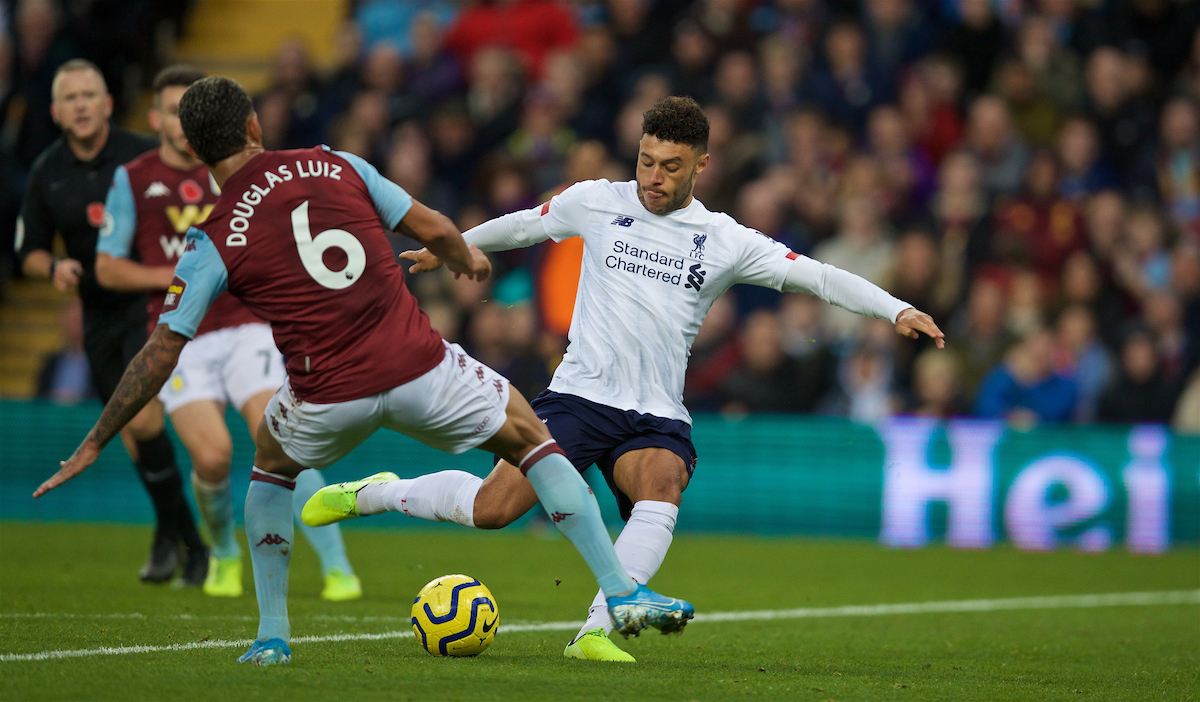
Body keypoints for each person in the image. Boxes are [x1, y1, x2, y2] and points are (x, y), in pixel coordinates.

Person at [32, 75, 693, 666]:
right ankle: (621, 591)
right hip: (422, 369)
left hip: (326, 397)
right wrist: (464, 259)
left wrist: (96, 437)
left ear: (197, 155)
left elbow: (160, 350)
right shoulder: (334, 163)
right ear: (256, 125)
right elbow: (430, 224)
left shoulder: (211, 234)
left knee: (268, 469)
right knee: (532, 437)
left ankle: (271, 637)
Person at [331, 96, 944, 662]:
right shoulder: (599, 200)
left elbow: (818, 277)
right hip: (577, 397)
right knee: (493, 510)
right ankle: (380, 491)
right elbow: (525, 224)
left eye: (671, 167)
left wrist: (896, 309)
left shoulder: (724, 239)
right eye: (646, 161)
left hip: (654, 413)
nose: (653, 177)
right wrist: (452, 248)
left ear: (701, 165)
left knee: (664, 481)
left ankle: (596, 630)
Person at [94, 66, 361, 601]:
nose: (180, 120)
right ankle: (223, 552)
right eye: (172, 110)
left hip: (245, 328)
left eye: (187, 109)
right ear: (159, 120)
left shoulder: (241, 173)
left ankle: (337, 566)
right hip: (181, 337)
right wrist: (186, 277)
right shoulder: (134, 177)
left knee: (283, 439)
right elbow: (107, 268)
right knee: (212, 456)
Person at [17, 58, 206, 584]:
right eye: (69, 98)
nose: (79, 105)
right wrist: (52, 266)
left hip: (152, 309)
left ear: (106, 104)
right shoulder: (47, 173)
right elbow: (26, 251)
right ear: (55, 112)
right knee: (131, 434)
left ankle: (190, 544)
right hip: (100, 314)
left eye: (88, 95)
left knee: (142, 419)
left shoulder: (144, 157)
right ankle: (180, 537)